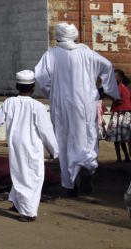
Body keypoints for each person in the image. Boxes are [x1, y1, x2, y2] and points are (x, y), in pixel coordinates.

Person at [34, 22, 119, 195]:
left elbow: (40, 77)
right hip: (85, 104)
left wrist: (53, 91)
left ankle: (69, 183)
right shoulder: (88, 53)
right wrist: (105, 90)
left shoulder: (51, 55)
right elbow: (108, 66)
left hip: (61, 105)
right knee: (87, 137)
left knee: (64, 142)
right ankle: (86, 167)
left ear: (58, 37)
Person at [0, 70, 58, 221]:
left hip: (16, 146)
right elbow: (46, 131)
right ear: (33, 87)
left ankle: (18, 204)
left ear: (17, 86)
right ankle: (28, 212)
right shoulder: (39, 107)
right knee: (31, 178)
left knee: (19, 174)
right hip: (32, 147)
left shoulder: (9, 103)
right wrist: (54, 150)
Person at [103, 68, 131, 162]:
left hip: (119, 113)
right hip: (126, 113)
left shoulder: (118, 88)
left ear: (120, 78)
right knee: (125, 137)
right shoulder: (126, 88)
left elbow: (119, 100)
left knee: (116, 137)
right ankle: (127, 157)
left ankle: (119, 158)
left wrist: (108, 95)